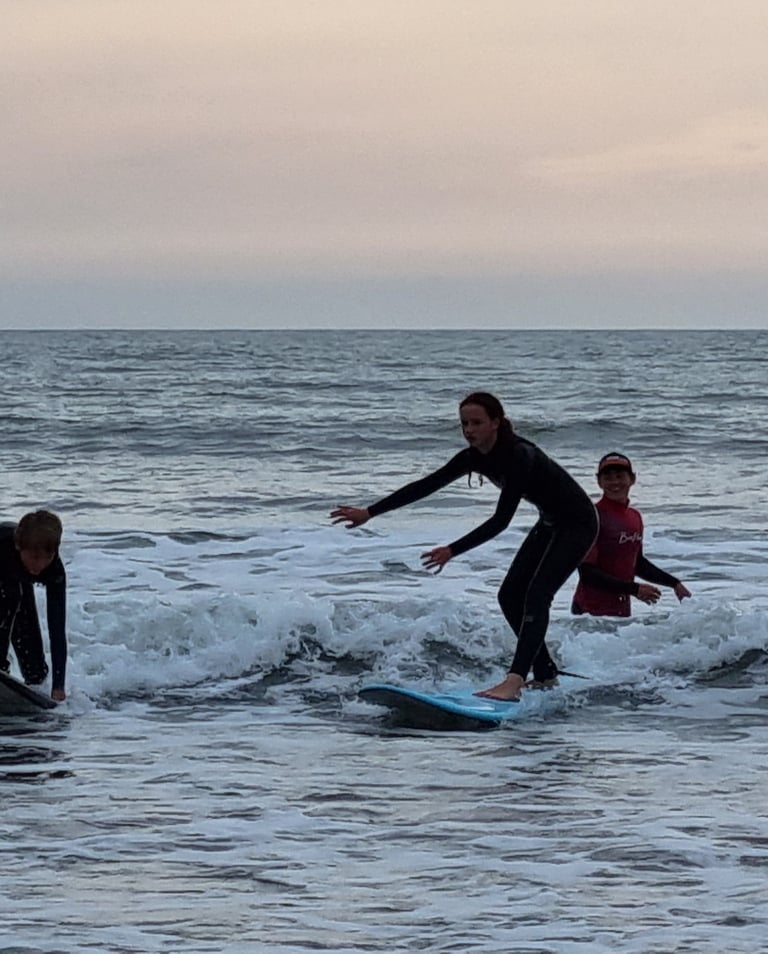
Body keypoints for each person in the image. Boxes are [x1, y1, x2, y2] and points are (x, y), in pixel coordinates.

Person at [331, 392, 598, 701]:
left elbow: (501, 520)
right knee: (510, 595)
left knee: (537, 594)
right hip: (551, 522)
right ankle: (545, 673)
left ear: (496, 423)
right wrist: (370, 512)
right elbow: (426, 485)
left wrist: (453, 549)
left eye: (477, 423)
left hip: (578, 524)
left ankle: (514, 682)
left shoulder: (519, 456)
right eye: (464, 424)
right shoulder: (473, 457)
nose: (469, 430)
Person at [571, 453, 691, 617]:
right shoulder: (592, 517)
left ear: (632, 479)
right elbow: (587, 574)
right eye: (608, 477)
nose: (615, 482)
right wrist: (634, 589)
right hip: (589, 613)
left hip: (620, 611)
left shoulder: (635, 517)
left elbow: (637, 563)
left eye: (620, 476)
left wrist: (674, 583)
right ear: (599, 482)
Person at [0, 510, 67, 702]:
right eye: (35, 557)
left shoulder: (54, 570)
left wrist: (58, 687)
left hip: (17, 581)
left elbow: (57, 630)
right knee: (10, 598)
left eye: (48, 556)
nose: (40, 565)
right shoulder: (4, 546)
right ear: (19, 546)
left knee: (35, 672)